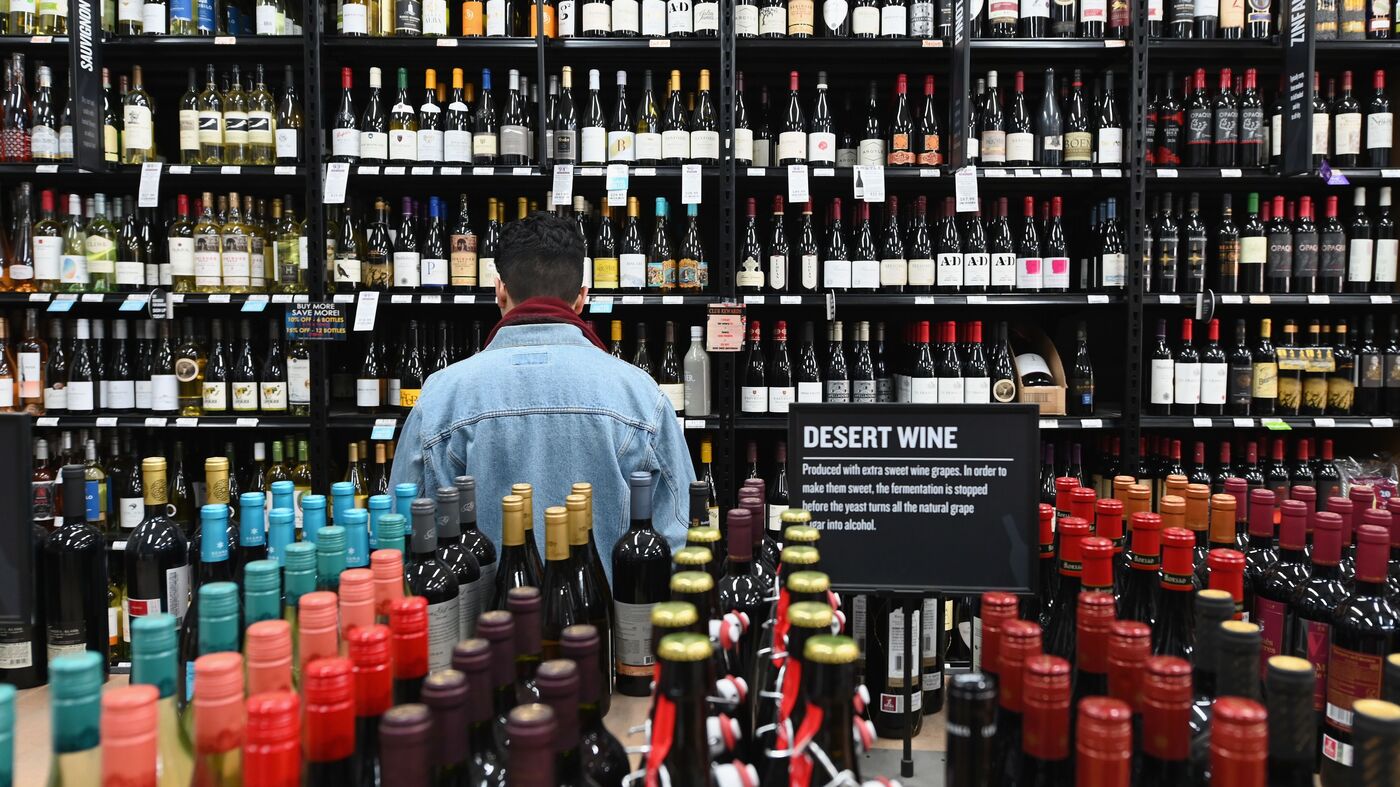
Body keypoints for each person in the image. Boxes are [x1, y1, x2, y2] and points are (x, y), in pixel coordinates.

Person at [388, 211, 694, 582]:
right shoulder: (640, 394)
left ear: (499, 289)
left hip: (476, 635)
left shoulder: (441, 396)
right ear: (582, 298)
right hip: (610, 633)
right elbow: (682, 545)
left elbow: (401, 540)